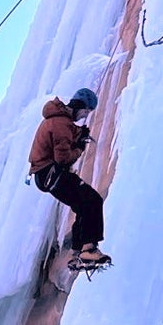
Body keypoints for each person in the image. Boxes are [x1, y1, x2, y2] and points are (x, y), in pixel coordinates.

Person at [29, 87, 109, 268]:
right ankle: (88, 250)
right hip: (52, 173)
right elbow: (62, 158)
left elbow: (61, 141)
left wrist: (78, 135)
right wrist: (80, 147)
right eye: (86, 112)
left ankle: (78, 253)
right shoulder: (61, 123)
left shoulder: (58, 122)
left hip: (46, 176)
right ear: (80, 107)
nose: (84, 116)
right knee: (93, 200)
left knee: (82, 206)